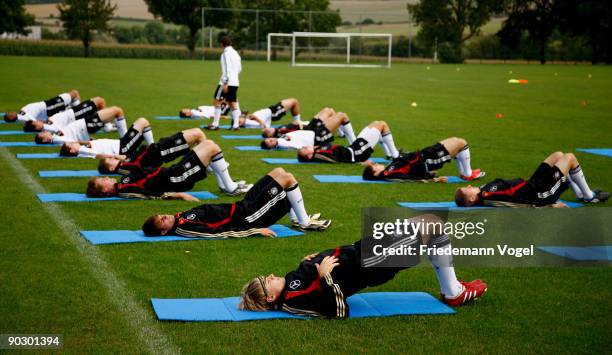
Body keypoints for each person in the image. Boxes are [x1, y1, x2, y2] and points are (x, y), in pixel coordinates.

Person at [239, 213, 488, 318]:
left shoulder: (291, 287)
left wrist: (310, 260)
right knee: (431, 226)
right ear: (271, 297)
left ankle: (451, 287)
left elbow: (308, 281)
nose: (270, 275)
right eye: (266, 280)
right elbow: (338, 310)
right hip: (370, 264)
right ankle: (454, 292)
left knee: (426, 224)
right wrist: (325, 275)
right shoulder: (293, 300)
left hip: (362, 251)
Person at [142, 167, 331, 237]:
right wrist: (255, 230)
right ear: (164, 231)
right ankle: (304, 222)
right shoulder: (185, 229)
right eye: (162, 220)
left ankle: (298, 218)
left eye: (160, 215)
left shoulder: (178, 219)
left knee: (278, 171)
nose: (164, 216)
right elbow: (219, 232)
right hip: (247, 217)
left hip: (242, 206)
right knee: (287, 180)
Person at [86, 137, 252, 199]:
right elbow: (150, 195)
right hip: (175, 179)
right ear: (105, 192)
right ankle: (230, 187)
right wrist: (179, 195)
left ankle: (226, 185)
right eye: (103, 181)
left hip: (173, 171)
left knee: (208, 144)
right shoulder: (124, 189)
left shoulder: (123, 181)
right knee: (212, 149)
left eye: (103, 177)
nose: (106, 178)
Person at [455, 151, 609, 207]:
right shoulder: (486, 195)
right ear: (470, 201)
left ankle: (581, 194)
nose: (469, 187)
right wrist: (548, 206)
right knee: (569, 158)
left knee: (558, 155)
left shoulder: (483, 192)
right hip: (539, 193)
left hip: (532, 185)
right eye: (466, 190)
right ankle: (589, 196)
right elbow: (517, 200)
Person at [361, 137, 484, 182]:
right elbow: (409, 178)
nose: (376, 164)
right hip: (428, 159)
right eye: (374, 166)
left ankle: (464, 173)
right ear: (376, 173)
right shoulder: (389, 173)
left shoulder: (389, 169)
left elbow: (407, 168)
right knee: (461, 143)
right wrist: (432, 179)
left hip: (426, 154)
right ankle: (467, 174)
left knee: (458, 143)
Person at [297, 120, 401, 163]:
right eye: (305, 149)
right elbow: (336, 159)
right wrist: (360, 161)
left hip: (354, 147)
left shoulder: (319, 150)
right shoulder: (319, 155)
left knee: (376, 123)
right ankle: (396, 156)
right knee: (382, 124)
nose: (306, 146)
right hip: (357, 153)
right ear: (309, 156)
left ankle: (390, 154)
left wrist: (315, 148)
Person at [261, 108, 357, 150]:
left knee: (337, 115)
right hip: (317, 137)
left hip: (314, 132)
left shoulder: (281, 139)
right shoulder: (282, 143)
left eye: (269, 139)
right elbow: (297, 147)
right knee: (342, 116)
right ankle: (355, 146)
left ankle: (352, 143)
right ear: (272, 147)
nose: (271, 139)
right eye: (270, 141)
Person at [58, 117, 154, 159]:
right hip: (122, 148)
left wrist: (88, 142)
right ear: (71, 150)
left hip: (121, 144)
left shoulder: (82, 148)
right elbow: (99, 155)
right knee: (142, 122)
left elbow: (80, 143)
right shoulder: (82, 151)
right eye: (70, 144)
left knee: (141, 127)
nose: (72, 142)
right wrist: (123, 158)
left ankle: (151, 149)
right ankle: (153, 149)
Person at [34, 106, 128, 145]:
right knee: (117, 111)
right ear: (45, 139)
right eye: (42, 134)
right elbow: (73, 143)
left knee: (115, 111)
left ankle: (125, 140)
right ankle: (126, 141)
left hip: (85, 123)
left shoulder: (55, 137)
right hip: (86, 125)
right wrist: (88, 142)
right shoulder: (56, 139)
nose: (44, 132)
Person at [209, 36, 242, 130]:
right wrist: (234, 77)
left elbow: (227, 67)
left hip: (225, 82)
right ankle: (236, 125)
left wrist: (226, 82)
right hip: (235, 82)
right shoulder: (236, 53)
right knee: (232, 103)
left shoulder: (225, 53)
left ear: (222, 44)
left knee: (217, 101)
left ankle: (215, 125)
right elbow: (240, 68)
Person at [23, 97, 106, 132]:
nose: (36, 121)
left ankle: (104, 123)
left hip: (72, 112)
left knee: (99, 103)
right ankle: (107, 125)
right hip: (74, 115)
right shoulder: (48, 128)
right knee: (99, 101)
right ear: (36, 126)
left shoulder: (45, 125)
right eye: (35, 122)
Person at [4, 90, 81, 122]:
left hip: (48, 106)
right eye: (9, 114)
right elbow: (34, 121)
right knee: (74, 93)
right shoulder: (23, 117)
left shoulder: (21, 113)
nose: (11, 112)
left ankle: (77, 114)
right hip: (49, 106)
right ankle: (79, 115)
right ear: (11, 117)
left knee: (69, 107)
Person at [239, 98, 305, 129]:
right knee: (294, 101)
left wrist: (244, 116)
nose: (240, 118)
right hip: (274, 113)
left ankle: (297, 121)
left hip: (271, 110)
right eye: (239, 121)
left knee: (294, 101)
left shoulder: (247, 121)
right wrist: (261, 123)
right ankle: (298, 121)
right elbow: (252, 116)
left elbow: (249, 116)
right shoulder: (248, 122)